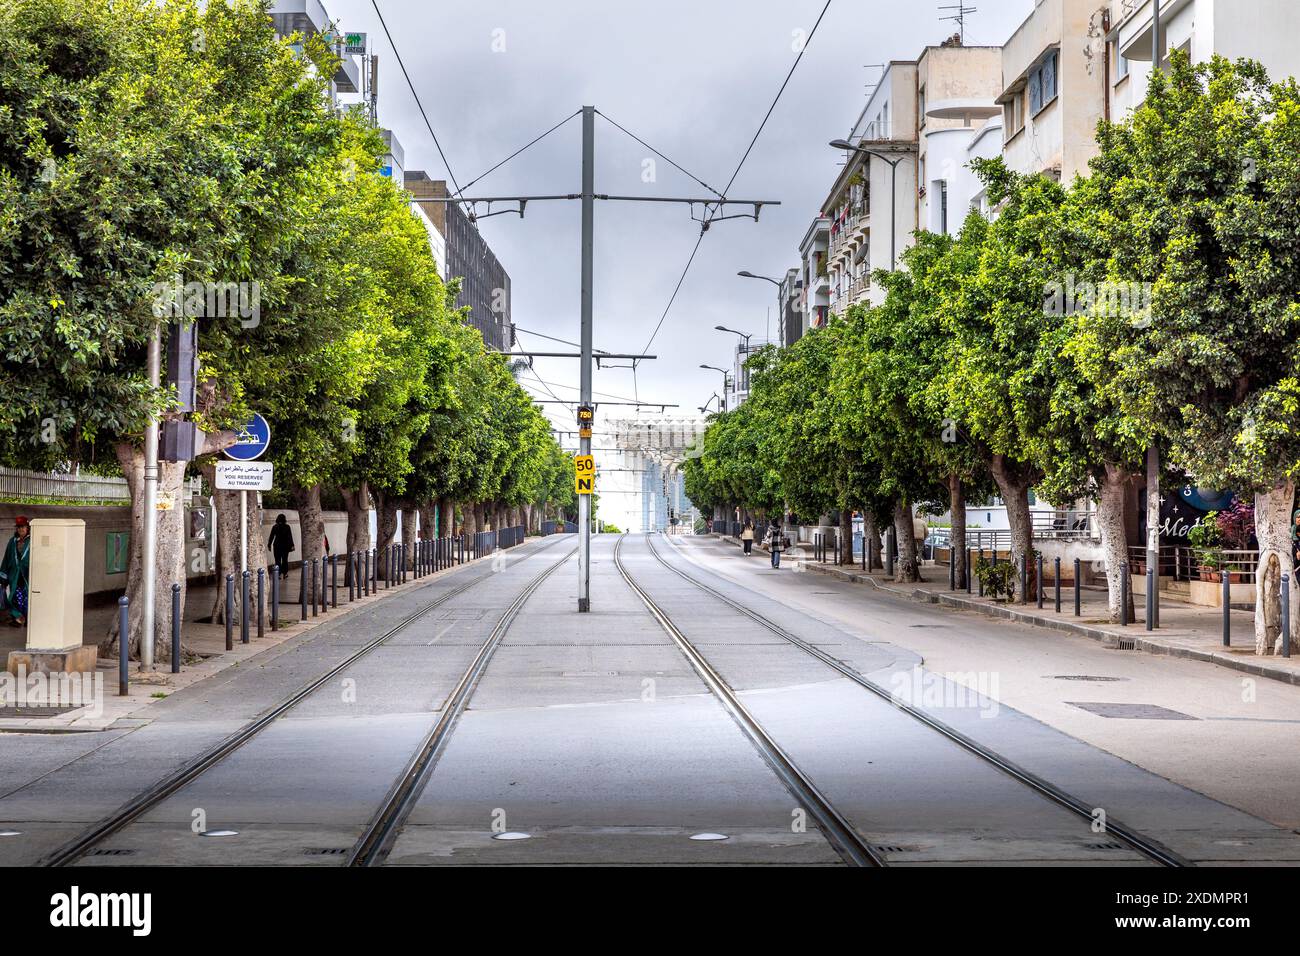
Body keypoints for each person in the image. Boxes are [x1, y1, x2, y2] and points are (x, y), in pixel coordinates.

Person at [1, 516, 31, 627]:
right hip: (15, 575)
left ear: (27, 528)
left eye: (22, 527)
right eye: (18, 527)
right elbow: (6, 558)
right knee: (14, 597)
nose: (20, 529)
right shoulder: (12, 542)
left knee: (27, 597)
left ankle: (28, 618)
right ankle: (19, 618)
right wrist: (3, 576)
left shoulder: (32, 540)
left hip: (27, 575)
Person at [267, 514, 294, 580]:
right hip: (285, 546)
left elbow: (271, 536)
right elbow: (290, 537)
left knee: (277, 560)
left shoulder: (275, 527)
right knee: (285, 560)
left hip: (276, 546)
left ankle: (278, 574)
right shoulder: (287, 527)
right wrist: (292, 545)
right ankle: (285, 573)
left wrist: (269, 545)